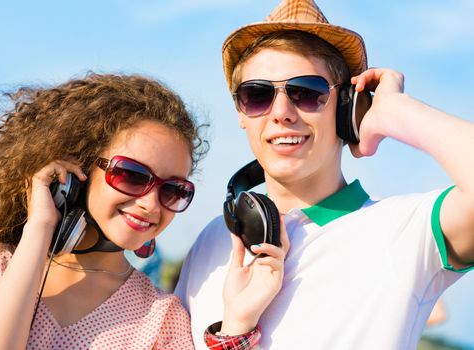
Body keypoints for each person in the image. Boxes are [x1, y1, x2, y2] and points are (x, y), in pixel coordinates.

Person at [175, 0, 474, 349]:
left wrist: (396, 111)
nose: (282, 113)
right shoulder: (215, 239)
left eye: (306, 92)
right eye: (257, 95)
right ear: (241, 112)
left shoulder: (407, 232)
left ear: (347, 106)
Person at [0, 73, 288, 349]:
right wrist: (40, 228)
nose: (151, 203)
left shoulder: (162, 318)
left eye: (173, 190)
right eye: (131, 175)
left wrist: (238, 322)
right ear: (77, 173)